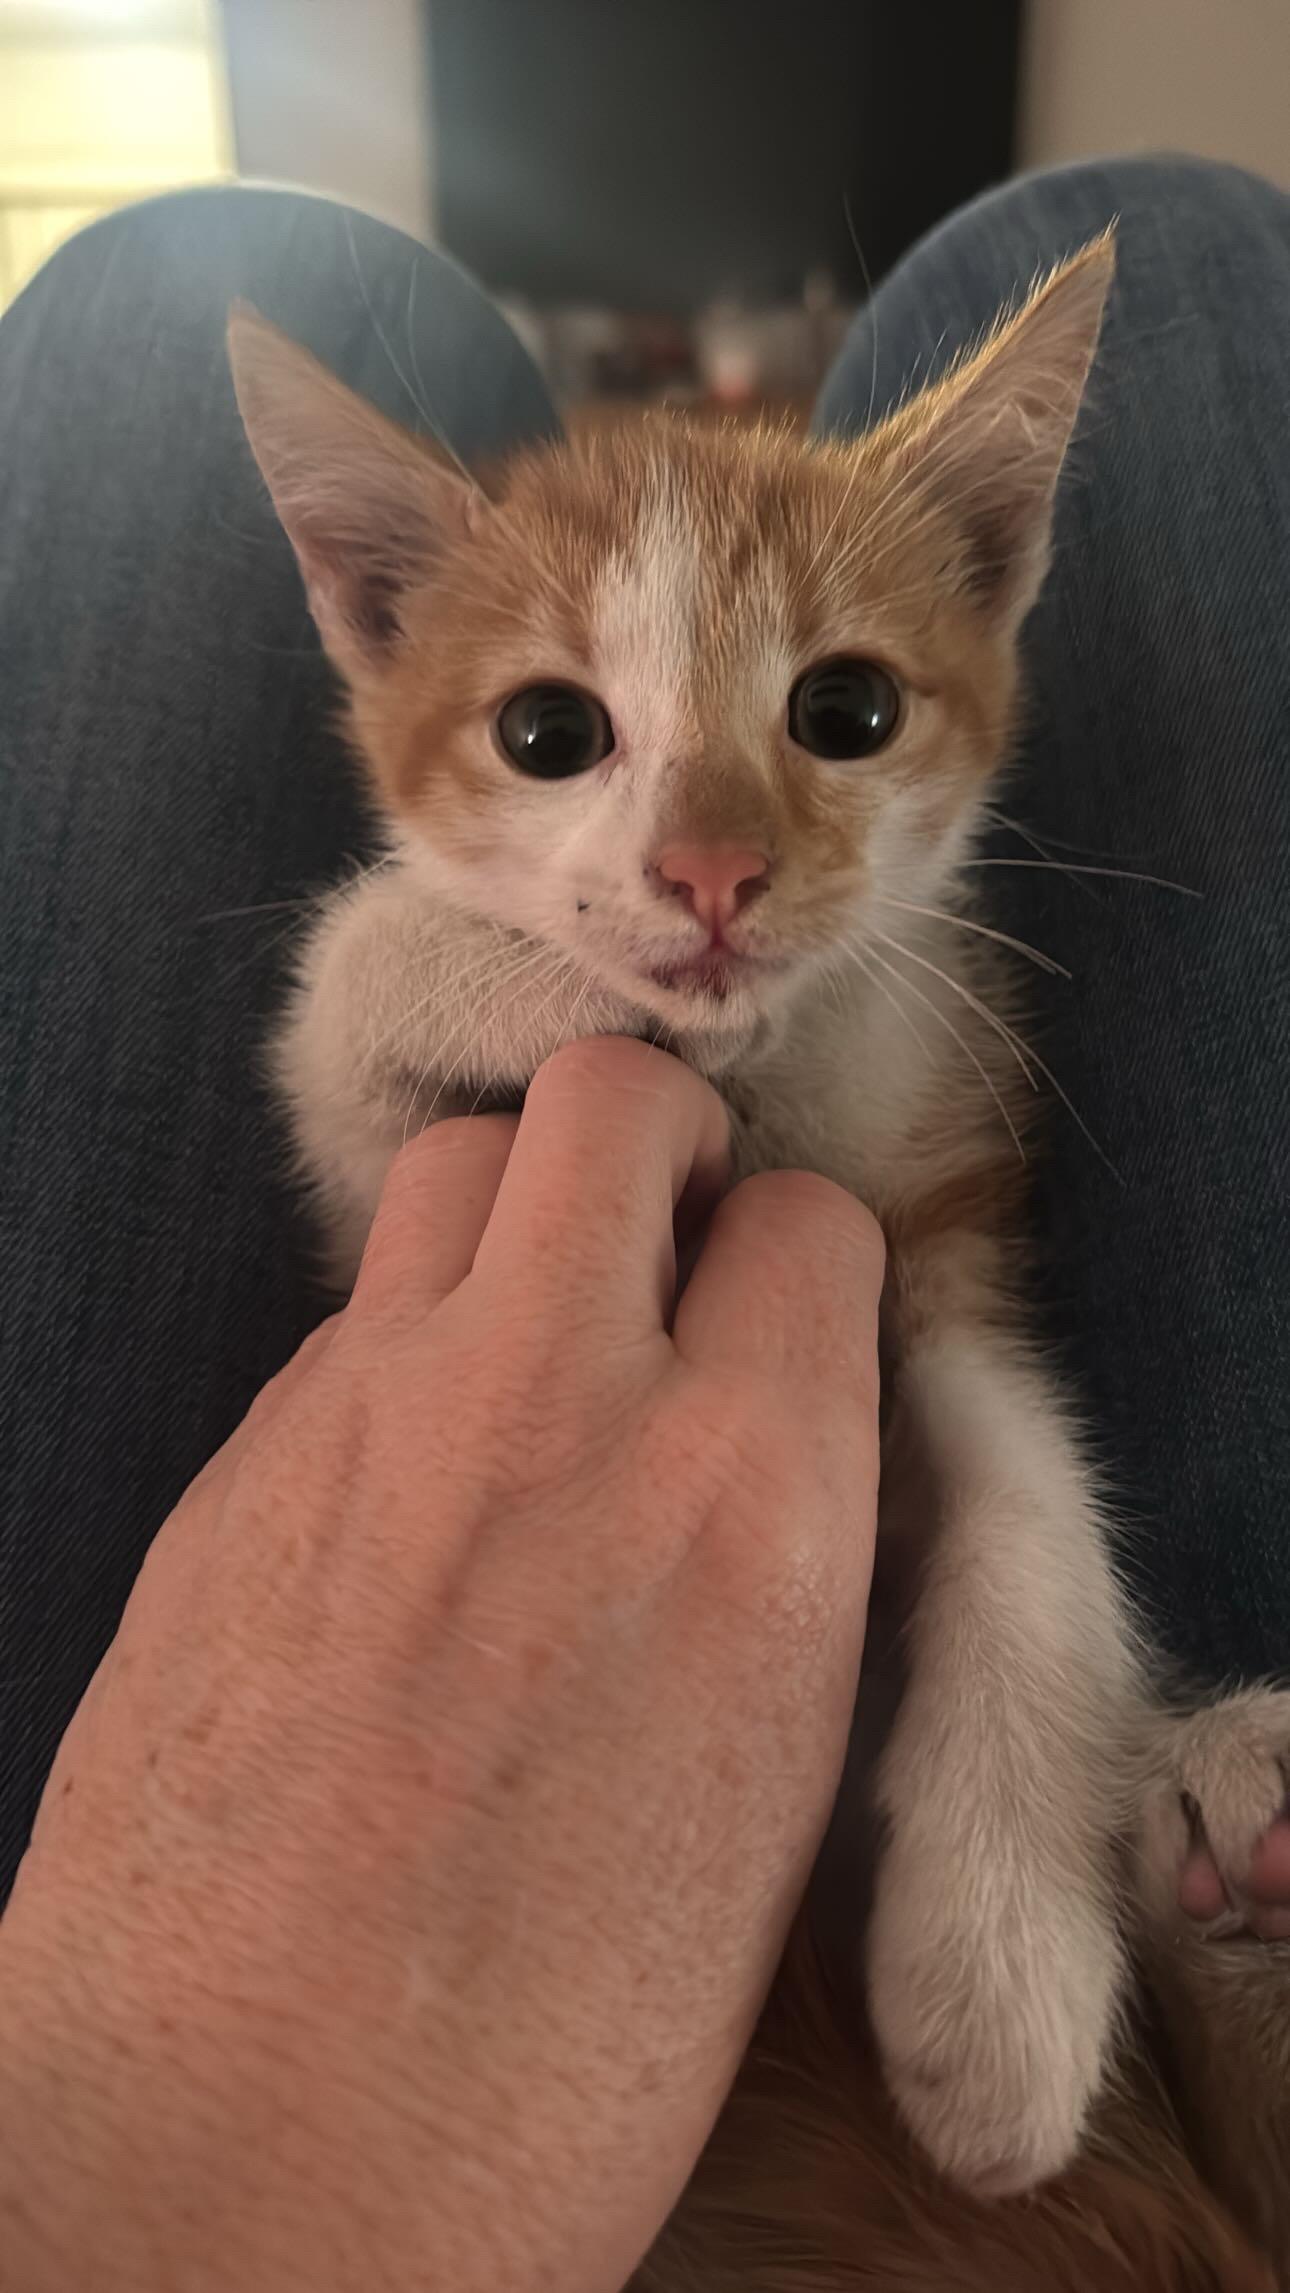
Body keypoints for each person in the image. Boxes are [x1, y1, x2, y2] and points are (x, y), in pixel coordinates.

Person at [0, 151, 1286, 2284]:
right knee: (1217, 259)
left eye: (843, 715)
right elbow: (368, 1051)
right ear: (364, 613)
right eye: (556, 731)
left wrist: (1008, 1797)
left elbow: (957, 1357)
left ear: (996, 564)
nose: (710, 861)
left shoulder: (914, 1007)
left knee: (157, 296)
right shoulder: (511, 930)